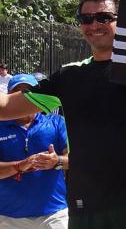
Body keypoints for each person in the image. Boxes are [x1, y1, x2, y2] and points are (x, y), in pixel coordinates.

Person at [0, 0, 126, 228]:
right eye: (86, 19)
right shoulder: (69, 75)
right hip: (86, 204)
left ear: (122, 20)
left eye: (104, 17)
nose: (94, 24)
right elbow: (6, 108)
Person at [0, 74, 69, 229]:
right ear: (9, 98)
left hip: (54, 214)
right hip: (10, 217)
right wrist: (19, 165)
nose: (25, 101)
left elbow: (77, 160)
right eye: (17, 94)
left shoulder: (56, 123)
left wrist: (56, 161)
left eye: (28, 93)